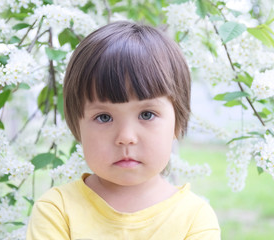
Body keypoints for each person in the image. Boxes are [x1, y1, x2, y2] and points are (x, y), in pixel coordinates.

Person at [26, 21, 220, 239]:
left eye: (147, 114)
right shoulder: (57, 211)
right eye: (104, 117)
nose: (126, 137)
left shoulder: (194, 219)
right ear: (76, 125)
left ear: (178, 122)